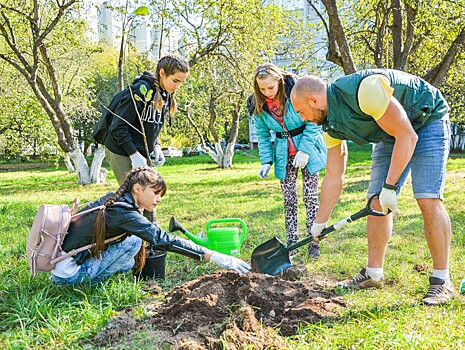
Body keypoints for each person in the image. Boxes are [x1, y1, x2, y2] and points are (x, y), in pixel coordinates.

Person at [291, 69, 453, 305]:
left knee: (427, 198)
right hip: (390, 132)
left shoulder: (364, 90)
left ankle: (442, 281)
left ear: (314, 101)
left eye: (301, 112)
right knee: (376, 203)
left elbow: (407, 136)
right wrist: (319, 221)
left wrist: (390, 186)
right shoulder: (330, 126)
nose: (303, 118)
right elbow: (334, 176)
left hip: (427, 120)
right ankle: (373, 274)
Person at [50, 167, 251, 285]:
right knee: (134, 242)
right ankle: (90, 283)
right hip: (70, 275)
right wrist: (215, 256)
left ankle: (91, 276)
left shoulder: (115, 201)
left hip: (60, 264)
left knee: (128, 261)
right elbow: (163, 239)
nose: (158, 200)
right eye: (155, 193)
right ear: (137, 189)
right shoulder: (124, 213)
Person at [248, 63, 327, 259]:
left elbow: (314, 122)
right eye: (262, 89)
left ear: (279, 81)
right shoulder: (258, 105)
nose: (267, 92)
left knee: (310, 198)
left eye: (271, 87)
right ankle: (292, 244)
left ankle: (313, 242)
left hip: (307, 151)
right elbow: (263, 134)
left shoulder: (296, 93)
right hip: (284, 154)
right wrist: (266, 161)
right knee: (289, 199)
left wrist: (304, 151)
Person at [95, 54, 189, 186]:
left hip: (142, 150)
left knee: (149, 194)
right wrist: (134, 155)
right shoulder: (141, 91)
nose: (178, 86)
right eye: (175, 81)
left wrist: (156, 145)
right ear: (162, 73)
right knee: (135, 195)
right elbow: (118, 127)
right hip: (120, 148)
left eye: (181, 82)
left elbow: (150, 125)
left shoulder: (166, 93)